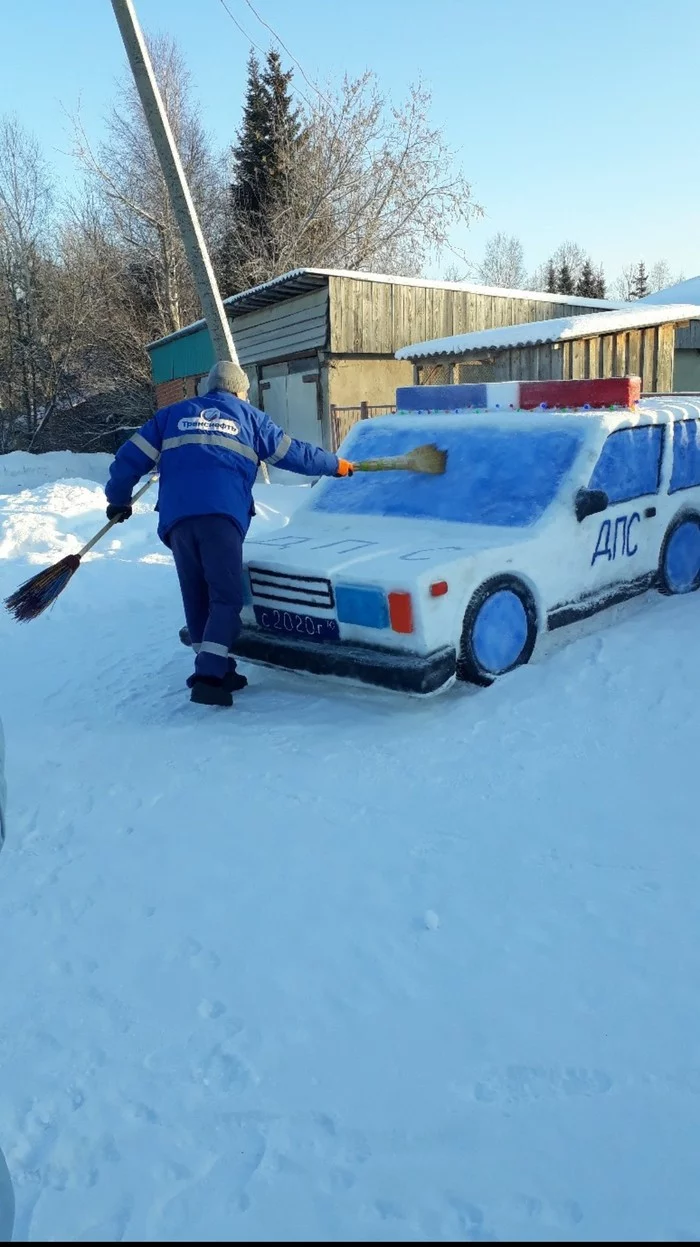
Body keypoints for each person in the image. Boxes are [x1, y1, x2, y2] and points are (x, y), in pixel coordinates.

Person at [105, 360, 354, 707]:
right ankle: (208, 677)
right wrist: (335, 465)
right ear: (240, 390)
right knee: (225, 598)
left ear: (209, 388)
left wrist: (118, 500)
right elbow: (293, 454)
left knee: (196, 595)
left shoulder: (172, 415)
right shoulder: (249, 417)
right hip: (220, 517)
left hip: (178, 520)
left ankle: (220, 668)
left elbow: (128, 458)